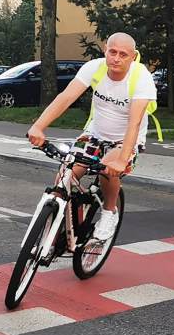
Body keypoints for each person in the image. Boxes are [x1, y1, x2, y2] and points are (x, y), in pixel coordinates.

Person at [27, 32, 158, 241]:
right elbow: (65, 98)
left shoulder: (141, 78)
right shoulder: (95, 67)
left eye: (123, 54)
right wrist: (38, 127)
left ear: (133, 57)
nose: (116, 58)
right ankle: (58, 222)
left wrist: (121, 160)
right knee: (65, 175)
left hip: (125, 139)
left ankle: (109, 212)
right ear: (105, 49)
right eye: (112, 52)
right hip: (94, 133)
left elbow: (134, 123)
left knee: (108, 169)